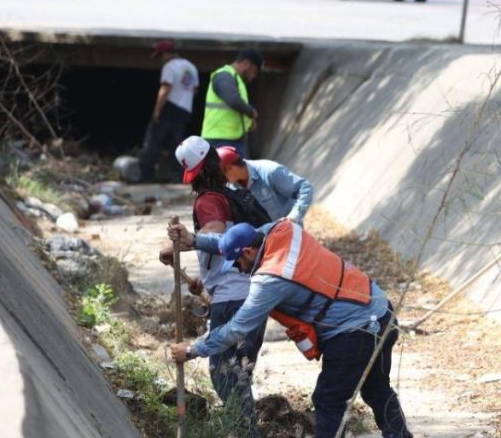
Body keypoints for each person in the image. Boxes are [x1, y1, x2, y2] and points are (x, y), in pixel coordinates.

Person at [167, 220, 413, 438]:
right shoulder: (282, 229)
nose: (239, 269)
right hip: (380, 310)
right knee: (377, 387)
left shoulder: (271, 279)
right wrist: (195, 240)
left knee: (328, 399)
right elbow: (234, 239)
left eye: (238, 262)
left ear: (250, 252)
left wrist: (193, 349)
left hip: (355, 329)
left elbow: (237, 328)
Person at [159, 136, 272, 437]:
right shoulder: (235, 193)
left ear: (192, 173)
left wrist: (175, 248)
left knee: (223, 374)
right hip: (256, 294)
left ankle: (247, 434)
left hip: (232, 299)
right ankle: (244, 430)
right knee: (240, 375)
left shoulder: (208, 200)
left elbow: (216, 237)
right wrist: (202, 285)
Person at [138, 40, 199, 183]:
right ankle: (178, 177)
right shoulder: (191, 67)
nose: (161, 59)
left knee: (153, 142)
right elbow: (194, 91)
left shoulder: (170, 67)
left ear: (166, 53)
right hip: (185, 110)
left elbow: (165, 89)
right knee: (177, 145)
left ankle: (146, 177)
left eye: (161, 55)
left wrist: (157, 111)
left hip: (170, 107)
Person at [216, 145, 313, 224]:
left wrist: (293, 216)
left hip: (291, 233)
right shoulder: (232, 187)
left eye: (221, 175)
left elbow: (304, 187)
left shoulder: (270, 171)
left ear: (230, 168)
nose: (221, 179)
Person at [201, 49, 264, 158]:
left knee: (240, 174)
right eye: (254, 71)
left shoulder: (237, 80)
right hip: (219, 140)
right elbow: (233, 100)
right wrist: (251, 112)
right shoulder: (224, 76)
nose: (254, 76)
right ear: (247, 64)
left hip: (234, 140)